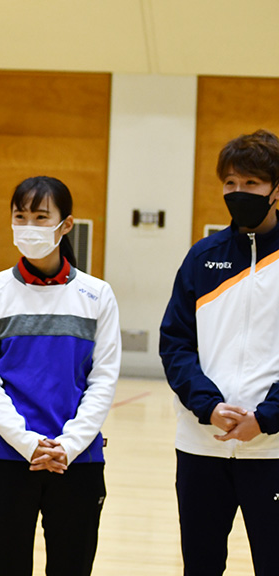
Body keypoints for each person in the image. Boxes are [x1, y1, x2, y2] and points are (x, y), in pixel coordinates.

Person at [0, 176, 120, 576]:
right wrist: (27, 443)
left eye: (41, 216)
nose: (30, 226)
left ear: (65, 224)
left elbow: (103, 380)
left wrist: (67, 446)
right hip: (5, 458)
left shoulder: (97, 295)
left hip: (78, 460)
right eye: (21, 216)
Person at [160, 129, 279, 576]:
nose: (238, 193)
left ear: (275, 190)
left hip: (272, 450)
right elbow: (175, 343)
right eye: (230, 183)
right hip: (200, 445)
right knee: (201, 565)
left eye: (251, 183)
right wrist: (207, 407)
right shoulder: (200, 257)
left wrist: (267, 418)